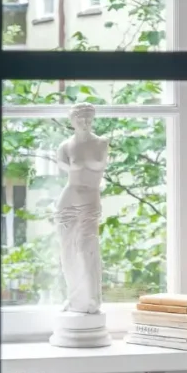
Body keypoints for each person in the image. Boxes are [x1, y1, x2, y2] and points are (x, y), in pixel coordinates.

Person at [53, 104, 108, 314]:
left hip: (90, 199)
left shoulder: (101, 143)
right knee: (68, 251)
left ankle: (91, 298)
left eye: (88, 118)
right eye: (80, 119)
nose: (84, 123)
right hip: (69, 200)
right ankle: (74, 298)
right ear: (72, 121)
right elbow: (65, 168)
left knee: (87, 248)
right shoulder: (65, 147)